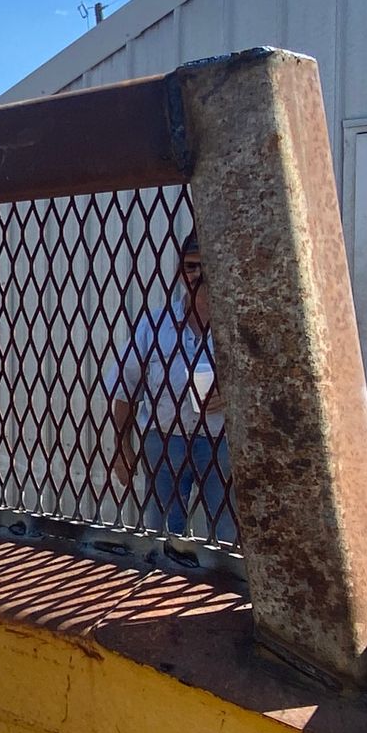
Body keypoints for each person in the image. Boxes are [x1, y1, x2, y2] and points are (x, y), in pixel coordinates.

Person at [103, 233, 235, 544]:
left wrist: (233, 399)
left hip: (223, 443)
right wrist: (122, 449)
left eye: (207, 266)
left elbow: (264, 388)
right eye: (191, 267)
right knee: (162, 533)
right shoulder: (154, 325)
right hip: (164, 442)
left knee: (228, 533)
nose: (199, 275)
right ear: (179, 271)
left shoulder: (239, 326)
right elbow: (125, 388)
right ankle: (160, 585)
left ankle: (226, 589)